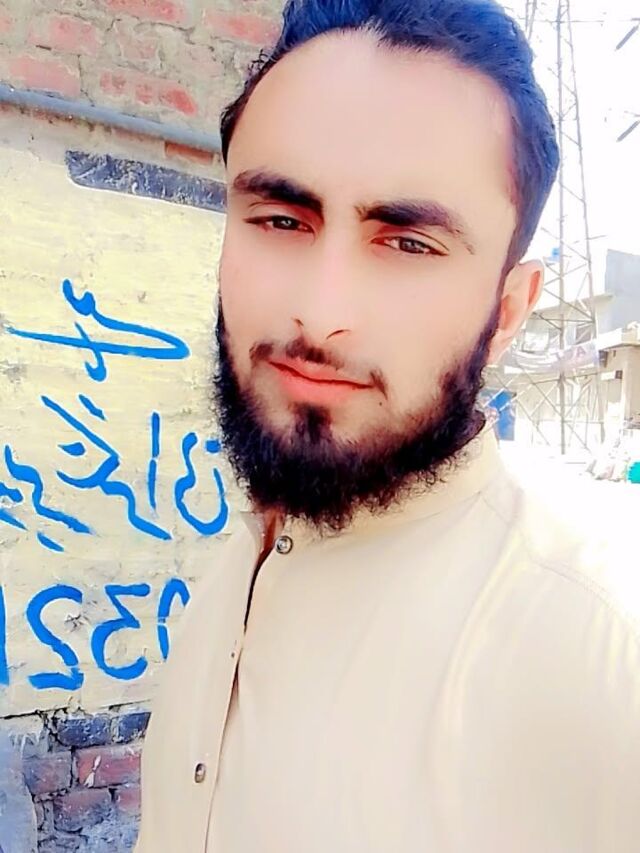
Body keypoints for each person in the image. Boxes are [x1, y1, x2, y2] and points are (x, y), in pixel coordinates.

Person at [136, 1, 640, 851]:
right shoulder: (247, 554)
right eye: (281, 220)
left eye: (408, 243)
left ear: (508, 309)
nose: (319, 311)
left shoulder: (605, 655)